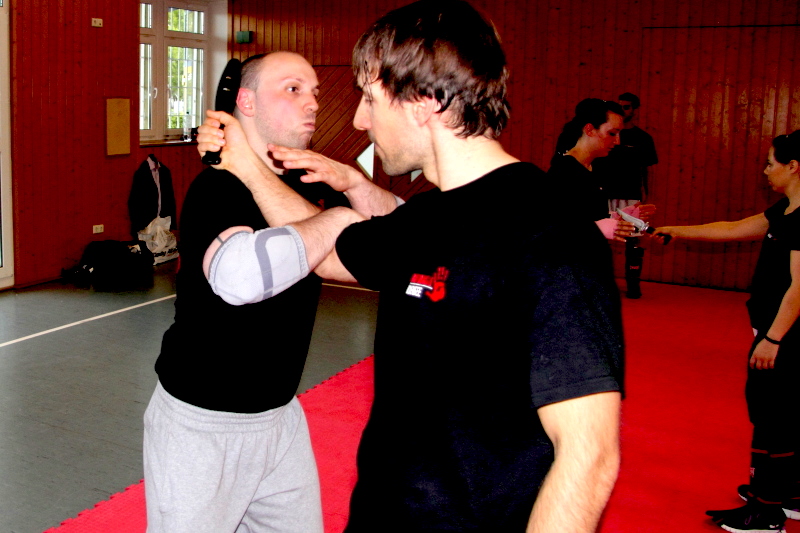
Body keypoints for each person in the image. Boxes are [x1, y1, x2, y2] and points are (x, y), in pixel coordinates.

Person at [197, 1, 624, 531]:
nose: (359, 119)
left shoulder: (550, 233)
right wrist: (268, 167)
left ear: (424, 103)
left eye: (370, 99)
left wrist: (249, 168)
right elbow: (328, 254)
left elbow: (589, 456)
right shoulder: (425, 217)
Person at [142, 51, 350, 533]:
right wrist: (338, 221)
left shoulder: (311, 182)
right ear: (247, 102)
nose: (313, 103)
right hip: (203, 425)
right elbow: (240, 281)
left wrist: (348, 194)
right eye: (293, 89)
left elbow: (372, 251)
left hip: (281, 416)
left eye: (315, 91)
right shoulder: (216, 189)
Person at [655, 131, 800, 533]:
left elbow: (799, 287)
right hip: (776, 330)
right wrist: (677, 230)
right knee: (781, 412)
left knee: (773, 416)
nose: (765, 170)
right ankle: (789, 493)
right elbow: (734, 228)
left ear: (793, 167)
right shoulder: (786, 210)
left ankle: (766, 511)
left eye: (771, 163)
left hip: (785, 335)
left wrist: (773, 338)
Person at [547, 98, 641, 243]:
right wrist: (595, 228)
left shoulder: (596, 167)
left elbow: (586, 214)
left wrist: (617, 217)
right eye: (612, 133)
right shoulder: (563, 172)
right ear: (589, 130)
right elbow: (552, 228)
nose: (617, 141)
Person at [594, 92, 659, 298]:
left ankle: (633, 284)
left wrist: (647, 195)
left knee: (634, 240)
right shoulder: (605, 134)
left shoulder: (643, 139)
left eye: (627, 106)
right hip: (603, 194)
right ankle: (600, 283)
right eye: (620, 106)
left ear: (635, 110)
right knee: (599, 239)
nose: (623, 110)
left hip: (631, 195)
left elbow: (648, 170)